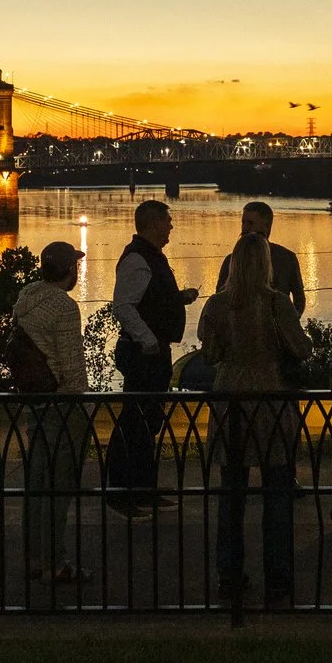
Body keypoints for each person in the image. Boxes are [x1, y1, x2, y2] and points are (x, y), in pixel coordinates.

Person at [197, 231, 313, 610]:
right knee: (277, 490)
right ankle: (277, 579)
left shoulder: (216, 306)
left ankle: (228, 576)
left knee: (231, 493)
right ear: (266, 265)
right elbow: (300, 347)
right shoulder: (277, 303)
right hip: (270, 396)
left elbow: (210, 354)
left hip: (229, 396)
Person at [103, 199, 198, 514]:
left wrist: (177, 298)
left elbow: (147, 300)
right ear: (154, 224)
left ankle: (143, 488)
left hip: (152, 352)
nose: (171, 226)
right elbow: (124, 306)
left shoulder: (150, 257)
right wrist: (147, 340)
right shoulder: (138, 260)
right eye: (167, 221)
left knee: (148, 421)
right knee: (135, 421)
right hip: (144, 353)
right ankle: (121, 492)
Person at [14, 240, 90, 590]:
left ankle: (32, 559)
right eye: (75, 265)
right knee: (60, 488)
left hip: (35, 403)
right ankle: (56, 563)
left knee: (36, 484)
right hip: (61, 407)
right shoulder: (63, 307)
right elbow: (73, 369)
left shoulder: (27, 296)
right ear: (70, 270)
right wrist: (83, 403)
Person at [214, 201, 306, 313]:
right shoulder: (230, 261)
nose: (245, 228)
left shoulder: (286, 258)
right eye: (243, 222)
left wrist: (287, 323)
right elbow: (219, 299)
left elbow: (299, 300)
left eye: (250, 223)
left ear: (266, 225)